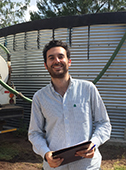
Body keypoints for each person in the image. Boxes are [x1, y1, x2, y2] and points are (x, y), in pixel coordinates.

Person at [28, 40, 111, 170]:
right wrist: (46, 153)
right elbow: (34, 133)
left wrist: (93, 144)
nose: (57, 60)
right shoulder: (40, 97)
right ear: (45, 65)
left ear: (69, 61)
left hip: (87, 166)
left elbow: (104, 123)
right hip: (55, 167)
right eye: (51, 58)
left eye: (61, 56)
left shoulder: (88, 89)